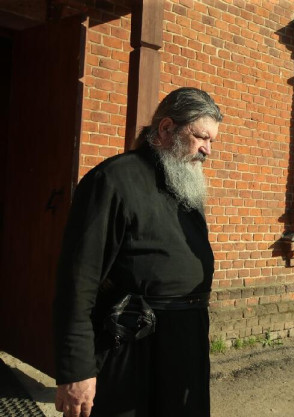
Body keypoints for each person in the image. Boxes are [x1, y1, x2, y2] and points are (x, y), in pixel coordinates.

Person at [53, 87, 223, 417]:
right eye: (201, 137)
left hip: (185, 346)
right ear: (166, 128)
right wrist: (76, 370)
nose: (208, 150)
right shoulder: (113, 180)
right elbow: (77, 283)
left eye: (212, 141)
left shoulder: (185, 182)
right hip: (131, 347)